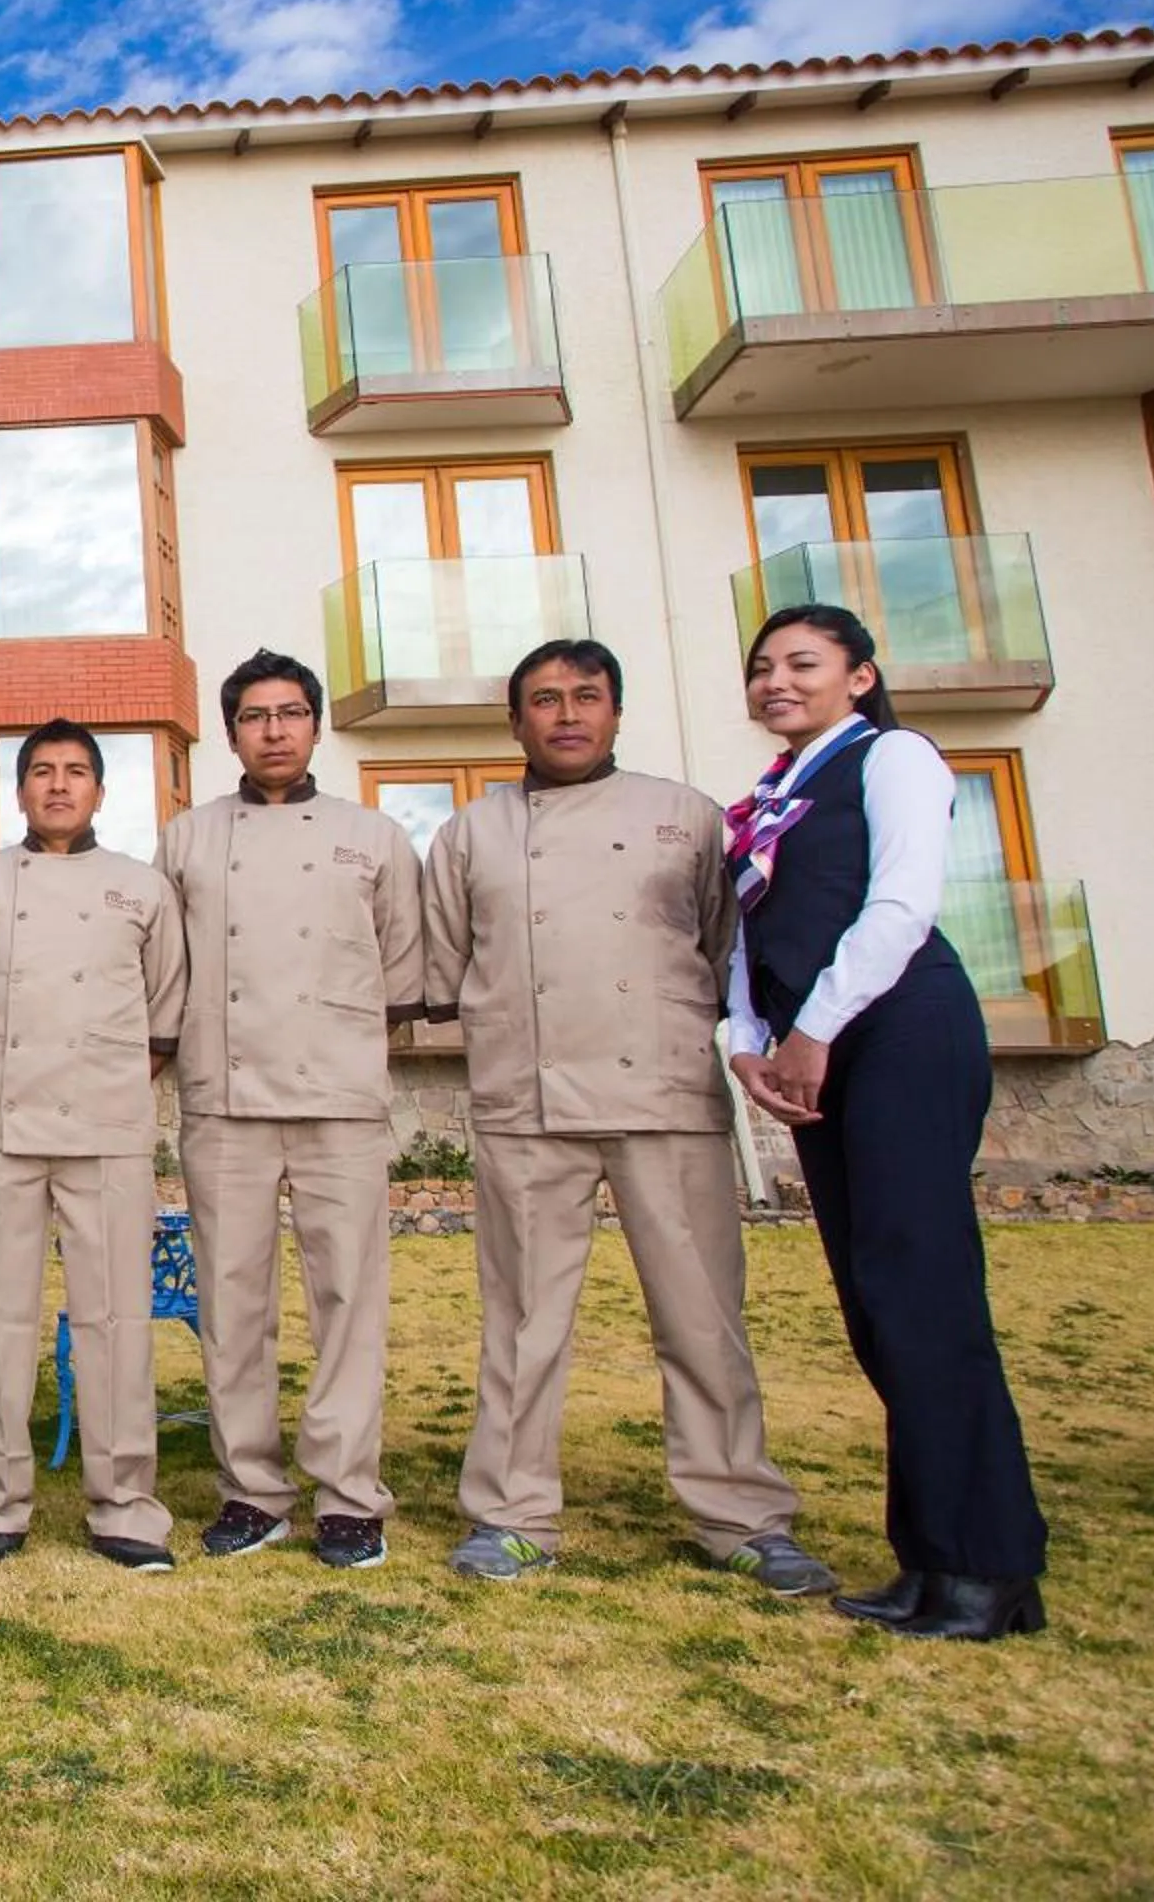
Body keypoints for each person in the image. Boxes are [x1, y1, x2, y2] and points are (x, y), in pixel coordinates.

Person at [421, 639, 833, 1594]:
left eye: (586, 697)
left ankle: (741, 1514)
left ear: (616, 711)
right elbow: (446, 968)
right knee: (522, 1323)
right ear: (513, 721)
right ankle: (513, 1514)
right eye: (544, 700)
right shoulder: (468, 835)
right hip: (526, 1103)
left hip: (667, 1097)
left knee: (701, 1317)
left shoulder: (686, 819)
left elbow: (724, 950)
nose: (566, 714)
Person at [726, 604, 1048, 1640]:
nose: (778, 679)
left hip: (900, 1030)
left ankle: (988, 1564)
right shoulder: (774, 794)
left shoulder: (895, 756)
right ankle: (934, 1554)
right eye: (763, 666)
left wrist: (810, 1030)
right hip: (817, 1045)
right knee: (876, 1302)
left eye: (803, 662)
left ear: (860, 675)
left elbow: (900, 906)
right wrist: (745, 1037)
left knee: (924, 1291)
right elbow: (743, 930)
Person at [158, 650, 424, 1572]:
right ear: (230, 731)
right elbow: (169, 970)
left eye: (292, 712)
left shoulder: (375, 837)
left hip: (339, 1097)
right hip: (224, 1097)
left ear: (316, 725)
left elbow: (397, 971)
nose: (274, 729)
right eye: (255, 716)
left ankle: (350, 1495)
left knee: (347, 1299)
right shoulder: (188, 838)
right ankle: (251, 1490)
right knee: (233, 1302)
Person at [0, 721, 187, 1572]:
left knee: (115, 1319)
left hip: (109, 1127)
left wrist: (112, 1084)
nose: (57, 785)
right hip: (3, 1126)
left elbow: (163, 1016)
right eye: (41, 771)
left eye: (75, 771)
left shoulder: (142, 890)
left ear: (100, 790)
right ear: (18, 791)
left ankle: (125, 1508)